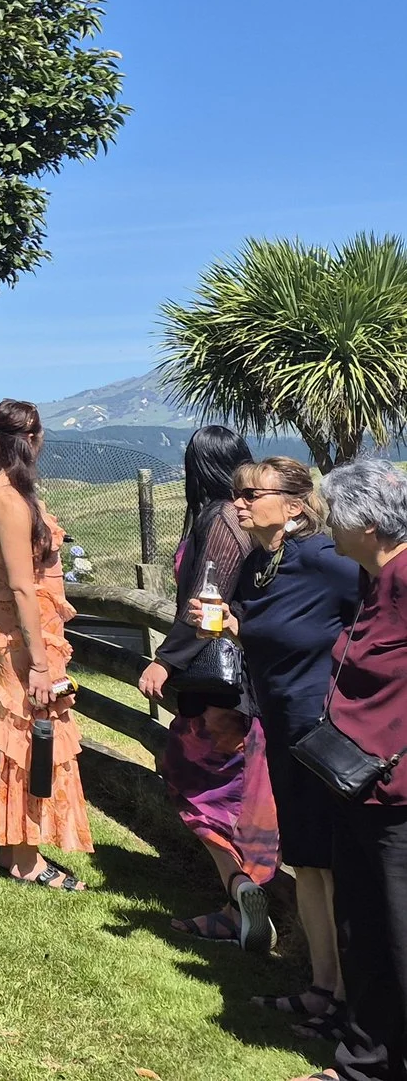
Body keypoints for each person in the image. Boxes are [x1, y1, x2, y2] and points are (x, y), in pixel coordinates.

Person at [212, 457, 360, 1042]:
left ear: (295, 505)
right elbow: (264, 626)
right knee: (311, 865)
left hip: (328, 735)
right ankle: (323, 988)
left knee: (337, 866)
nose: (241, 503)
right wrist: (230, 623)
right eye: (237, 493)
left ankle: (351, 1001)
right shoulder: (260, 564)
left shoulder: (328, 561)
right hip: (281, 730)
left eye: (253, 494)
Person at [134, 425, 279, 951]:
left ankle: (241, 886)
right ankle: (240, 899)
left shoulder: (220, 518)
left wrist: (163, 662)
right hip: (245, 676)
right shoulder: (244, 520)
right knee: (235, 786)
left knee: (195, 781)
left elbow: (205, 603)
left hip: (221, 684)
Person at [0, 398, 90, 889]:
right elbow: (21, 586)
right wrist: (40, 664)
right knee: (31, 738)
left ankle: (16, 847)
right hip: (24, 640)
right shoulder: (10, 502)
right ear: (31, 440)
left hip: (23, 632)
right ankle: (25, 859)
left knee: (26, 737)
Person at [309, 458, 407, 1081]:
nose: (326, 531)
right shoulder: (375, 578)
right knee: (363, 928)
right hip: (356, 787)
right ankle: (365, 1063)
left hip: (397, 795)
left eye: (332, 520)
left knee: (399, 937)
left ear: (365, 523)